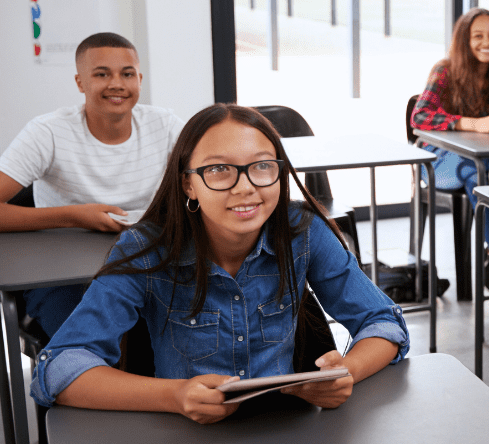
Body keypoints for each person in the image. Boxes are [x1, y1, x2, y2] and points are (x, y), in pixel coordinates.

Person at [30, 104, 409, 424]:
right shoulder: (146, 249)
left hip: (285, 436)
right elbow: (58, 368)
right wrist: (175, 395)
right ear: (187, 184)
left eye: (262, 166)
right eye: (218, 170)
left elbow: (384, 322)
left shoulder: (303, 232)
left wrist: (348, 372)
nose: (245, 187)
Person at [0, 32, 184, 337]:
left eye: (127, 74)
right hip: (61, 271)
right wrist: (74, 215)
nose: (117, 84)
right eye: (102, 74)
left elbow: (203, 178)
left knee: (178, 333)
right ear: (80, 83)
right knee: (89, 344)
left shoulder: (164, 125)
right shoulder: (48, 132)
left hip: (146, 260)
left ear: (139, 79)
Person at [411, 8, 489, 290]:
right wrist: (472, 124)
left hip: (483, 160)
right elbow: (420, 116)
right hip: (437, 164)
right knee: (480, 175)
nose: (487, 42)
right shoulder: (444, 69)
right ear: (465, 40)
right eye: (478, 36)